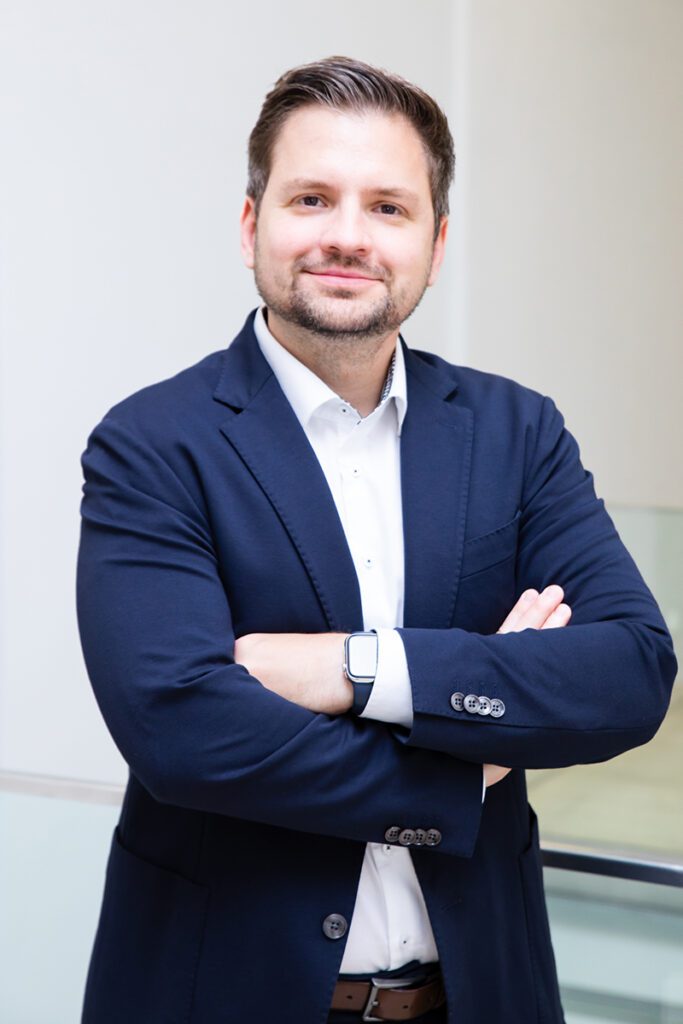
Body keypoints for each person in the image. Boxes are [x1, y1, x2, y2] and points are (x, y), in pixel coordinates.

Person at [76, 56, 676, 1024]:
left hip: (478, 994)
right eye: (311, 198)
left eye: (388, 208)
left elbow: (628, 673)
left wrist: (353, 669)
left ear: (434, 245)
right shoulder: (153, 443)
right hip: (226, 995)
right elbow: (181, 732)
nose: (347, 236)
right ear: (251, 225)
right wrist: (470, 757)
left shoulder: (517, 433)